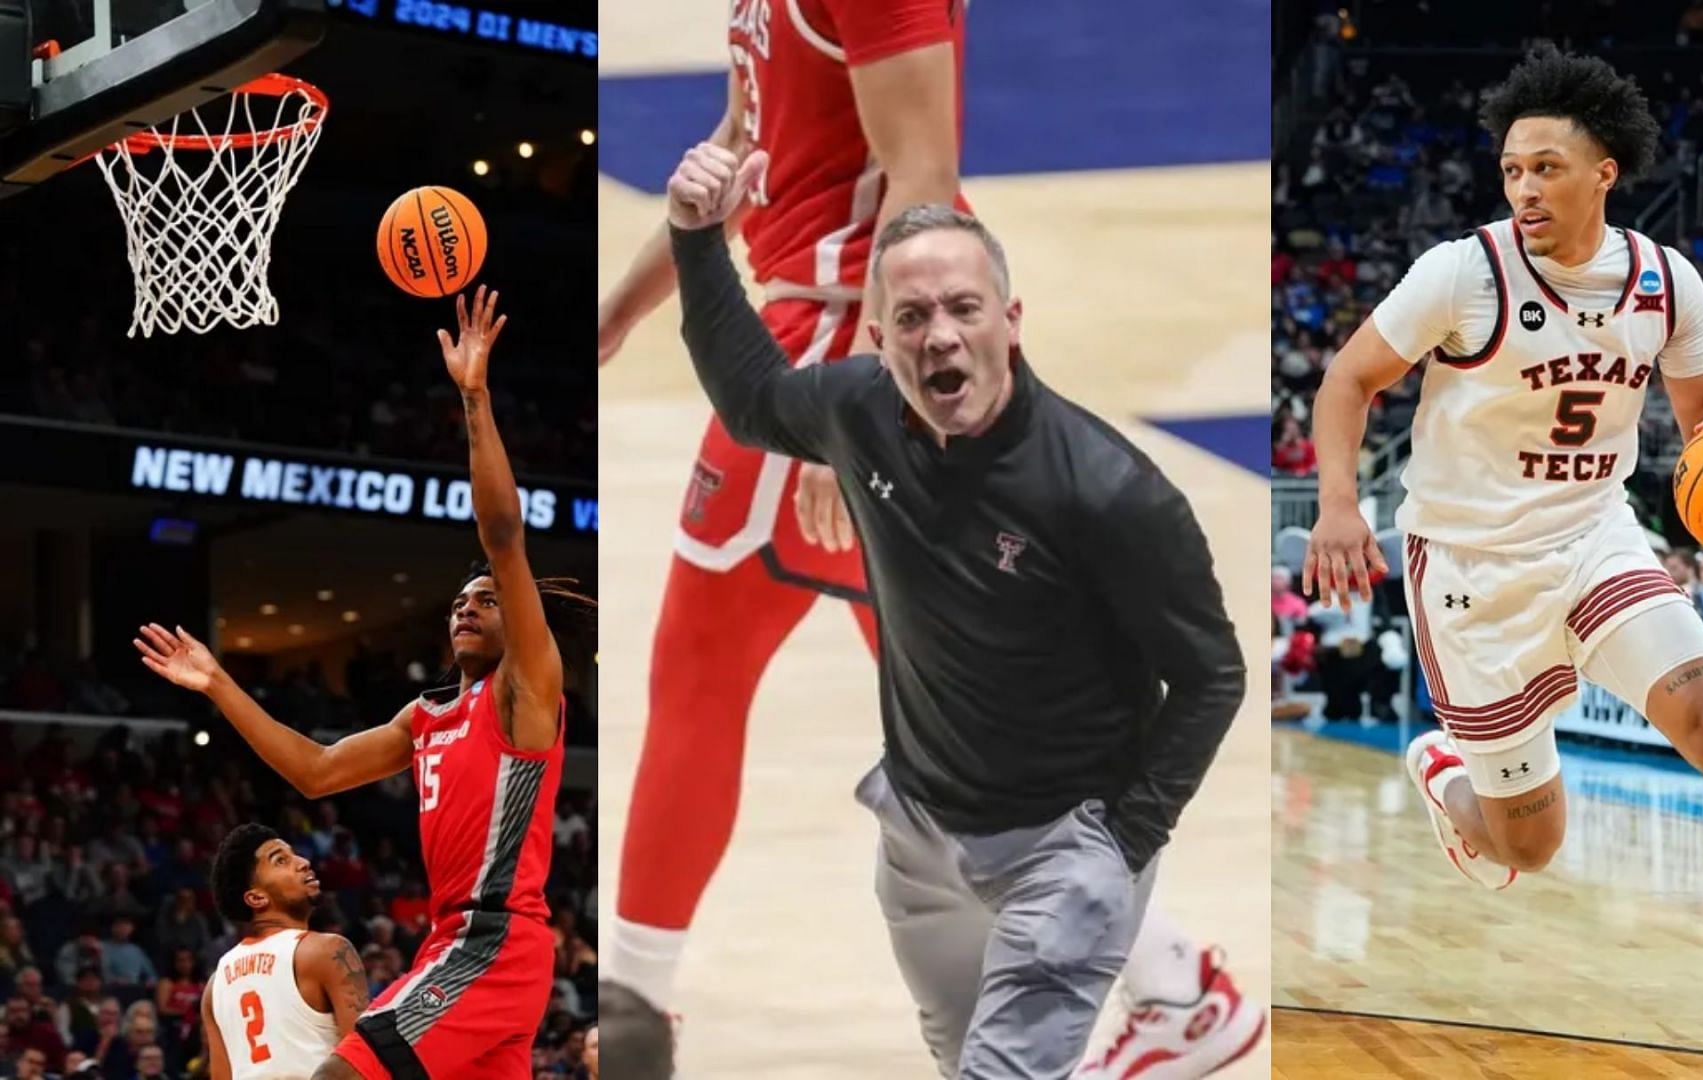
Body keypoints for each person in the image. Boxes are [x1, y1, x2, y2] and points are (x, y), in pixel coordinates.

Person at [600, 4, 1257, 1072]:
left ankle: (630, 1004)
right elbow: (743, 138)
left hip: (844, 333)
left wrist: (852, 419)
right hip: (813, 331)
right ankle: (1175, 984)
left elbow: (923, 176)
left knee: (706, 666)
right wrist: (624, 304)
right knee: (954, 708)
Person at [1306, 45, 1703, 1047]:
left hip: (1594, 537)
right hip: (1470, 571)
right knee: (1526, 851)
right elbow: (1346, 381)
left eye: (1546, 166)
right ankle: (1445, 773)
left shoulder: (1666, 284)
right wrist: (1336, 503)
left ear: (1603, 173)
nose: (1525, 186)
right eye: (1511, 170)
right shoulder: (1463, 274)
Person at [135, 288, 592, 1078]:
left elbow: (503, 535)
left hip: (492, 942)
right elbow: (314, 772)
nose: (467, 605)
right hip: (459, 945)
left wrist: (474, 397)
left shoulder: (524, 690)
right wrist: (218, 684)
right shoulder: (425, 717)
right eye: (459, 599)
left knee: (341, 1075)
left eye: (486, 600)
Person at [201, 825, 365, 1079]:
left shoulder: (215, 985)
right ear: (256, 898)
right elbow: (364, 1064)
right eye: (281, 860)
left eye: (294, 854)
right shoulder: (326, 951)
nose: (303, 863)